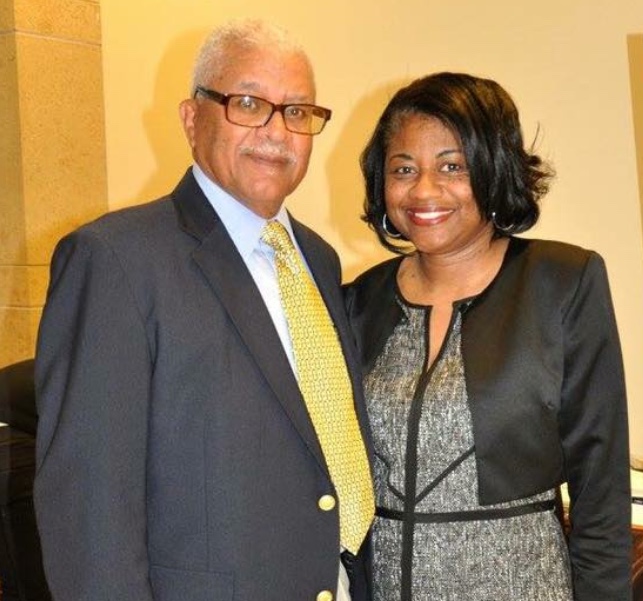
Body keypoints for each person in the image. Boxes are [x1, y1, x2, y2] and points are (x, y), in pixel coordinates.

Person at [34, 19, 374, 601]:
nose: (277, 133)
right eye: (249, 104)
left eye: (297, 112)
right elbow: (89, 510)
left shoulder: (317, 259)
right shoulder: (115, 259)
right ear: (192, 119)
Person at [344, 72, 632, 601]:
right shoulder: (357, 301)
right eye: (403, 169)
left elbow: (601, 485)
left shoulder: (561, 282)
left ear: (493, 169)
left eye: (451, 166)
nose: (424, 189)